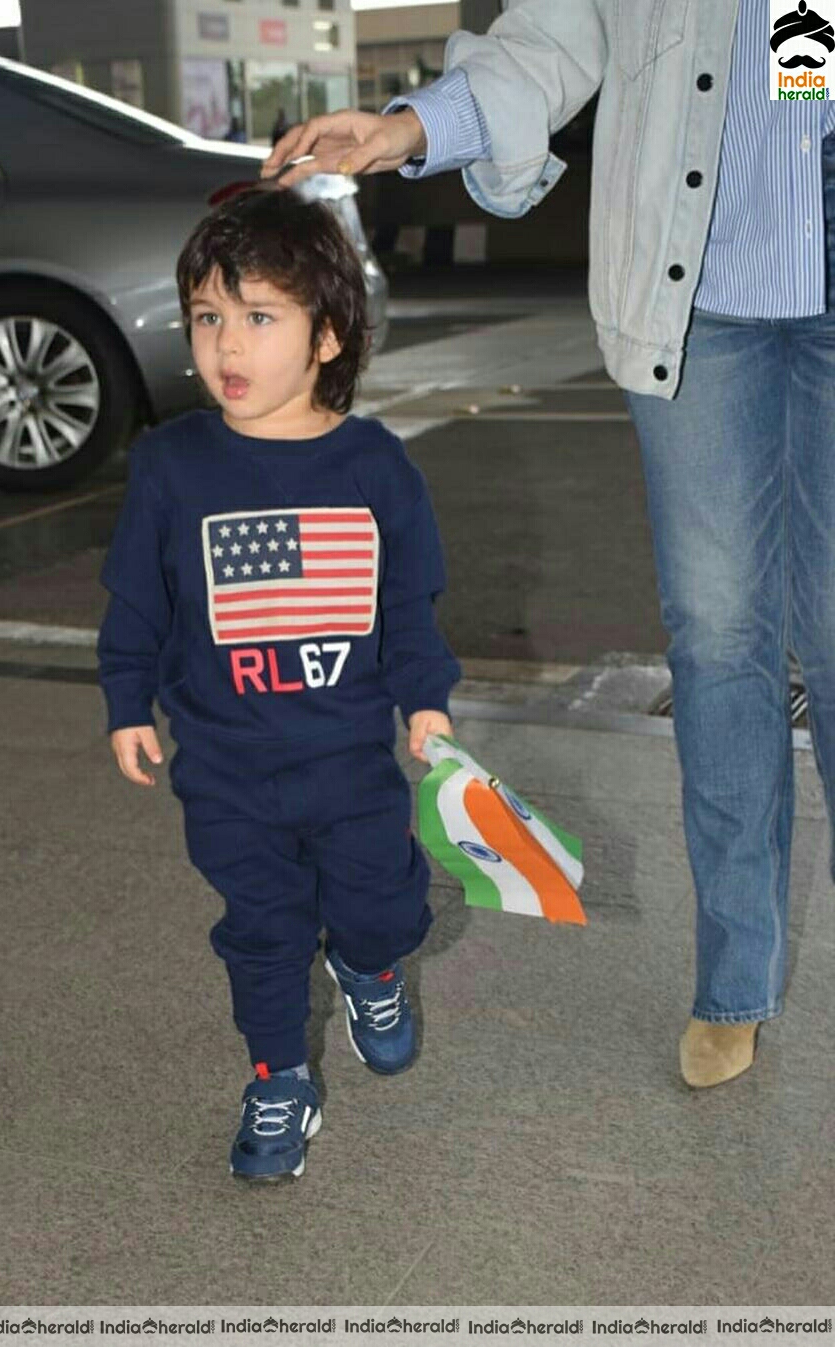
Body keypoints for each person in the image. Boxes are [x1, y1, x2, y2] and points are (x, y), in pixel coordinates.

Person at [264, 0, 834, 1091]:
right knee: (719, 638)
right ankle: (735, 980)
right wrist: (409, 127)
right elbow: (555, 37)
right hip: (699, 301)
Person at [97, 187, 459, 1180]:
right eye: (208, 317)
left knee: (385, 904)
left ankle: (369, 965)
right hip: (226, 772)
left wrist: (427, 702)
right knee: (260, 934)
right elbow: (136, 602)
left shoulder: (376, 468)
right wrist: (127, 701)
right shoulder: (172, 466)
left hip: (350, 766)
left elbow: (407, 611)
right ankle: (278, 1080)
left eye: (260, 318)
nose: (228, 346)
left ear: (328, 338)